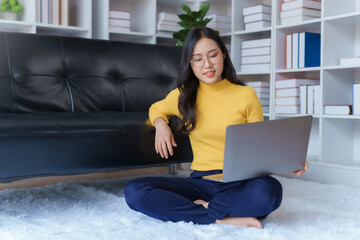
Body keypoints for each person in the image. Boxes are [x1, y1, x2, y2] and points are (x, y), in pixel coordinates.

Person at [125, 27, 308, 229]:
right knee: (135, 190)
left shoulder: (245, 94)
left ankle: (203, 212)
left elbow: (260, 144)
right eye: (198, 59)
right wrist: (161, 124)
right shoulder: (184, 95)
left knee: (270, 191)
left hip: (239, 183)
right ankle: (221, 217)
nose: (207, 65)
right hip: (200, 182)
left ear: (223, 55)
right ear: (190, 64)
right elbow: (156, 108)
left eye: (213, 55)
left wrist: (286, 161)